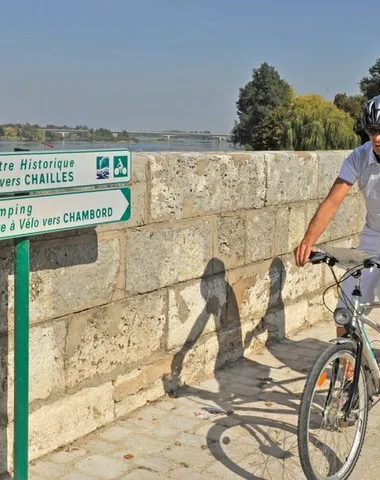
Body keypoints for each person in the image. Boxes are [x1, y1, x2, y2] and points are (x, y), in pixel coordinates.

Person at [294, 94, 380, 337]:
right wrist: (308, 240)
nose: (377, 138)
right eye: (372, 130)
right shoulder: (359, 157)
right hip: (373, 236)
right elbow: (333, 201)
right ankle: (347, 365)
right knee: (346, 307)